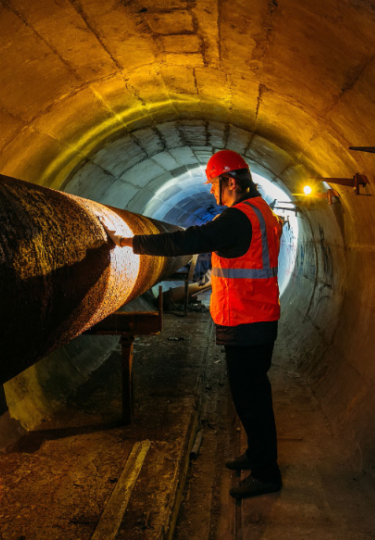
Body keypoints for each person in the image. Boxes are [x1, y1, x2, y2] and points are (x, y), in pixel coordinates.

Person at [103, 150, 283, 499]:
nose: (211, 193)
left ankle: (266, 472)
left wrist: (129, 242)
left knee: (252, 400)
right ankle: (258, 456)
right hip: (256, 316)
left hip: (247, 321)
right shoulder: (262, 212)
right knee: (251, 396)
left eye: (214, 185)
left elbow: (187, 240)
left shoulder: (237, 218)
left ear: (230, 182)